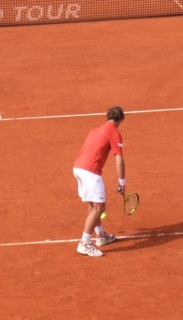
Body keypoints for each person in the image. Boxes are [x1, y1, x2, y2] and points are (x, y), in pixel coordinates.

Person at [72, 106, 127, 257]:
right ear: (120, 119)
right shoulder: (114, 133)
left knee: (93, 205)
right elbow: (119, 160)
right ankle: (84, 243)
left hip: (78, 168)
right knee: (99, 208)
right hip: (90, 171)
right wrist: (122, 182)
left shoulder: (94, 130)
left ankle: (101, 236)